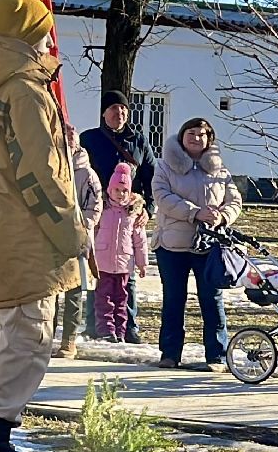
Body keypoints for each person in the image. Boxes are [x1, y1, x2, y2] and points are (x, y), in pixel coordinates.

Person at [0, 0, 82, 452]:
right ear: (29, 35)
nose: (50, 38)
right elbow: (40, 176)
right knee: (28, 339)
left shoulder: (3, 87)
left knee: (6, 338)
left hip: (8, 232)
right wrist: (73, 233)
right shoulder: (26, 91)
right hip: (32, 238)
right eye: (43, 30)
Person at [151, 117, 243, 371]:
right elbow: (162, 196)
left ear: (209, 139)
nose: (196, 138)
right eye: (190, 133)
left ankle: (217, 356)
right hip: (172, 245)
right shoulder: (164, 166)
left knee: (211, 299)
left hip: (208, 246)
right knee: (174, 299)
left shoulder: (219, 171)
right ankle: (170, 354)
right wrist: (194, 213)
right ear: (181, 136)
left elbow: (234, 200)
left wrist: (222, 216)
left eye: (201, 134)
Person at [81, 91, 154, 343]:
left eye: (123, 109)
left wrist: (149, 208)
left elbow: (150, 177)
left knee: (126, 278)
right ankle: (95, 326)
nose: (119, 113)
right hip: (96, 212)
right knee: (96, 273)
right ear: (103, 113)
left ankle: (128, 328)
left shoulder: (138, 141)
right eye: (113, 108)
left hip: (129, 212)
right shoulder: (89, 139)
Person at [91, 162, 150, 343]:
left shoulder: (133, 212)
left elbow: (139, 240)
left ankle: (121, 331)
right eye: (117, 189)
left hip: (124, 263)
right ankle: (106, 330)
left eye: (124, 190)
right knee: (104, 298)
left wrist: (142, 263)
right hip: (103, 262)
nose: (120, 194)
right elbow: (93, 232)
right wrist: (89, 257)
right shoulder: (102, 209)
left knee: (122, 299)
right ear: (110, 189)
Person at [52, 144, 102, 357]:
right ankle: (44, 339)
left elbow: (95, 206)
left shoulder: (87, 174)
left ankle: (68, 341)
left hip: (78, 238)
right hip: (51, 237)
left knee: (73, 291)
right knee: (49, 291)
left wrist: (80, 226)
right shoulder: (48, 165)